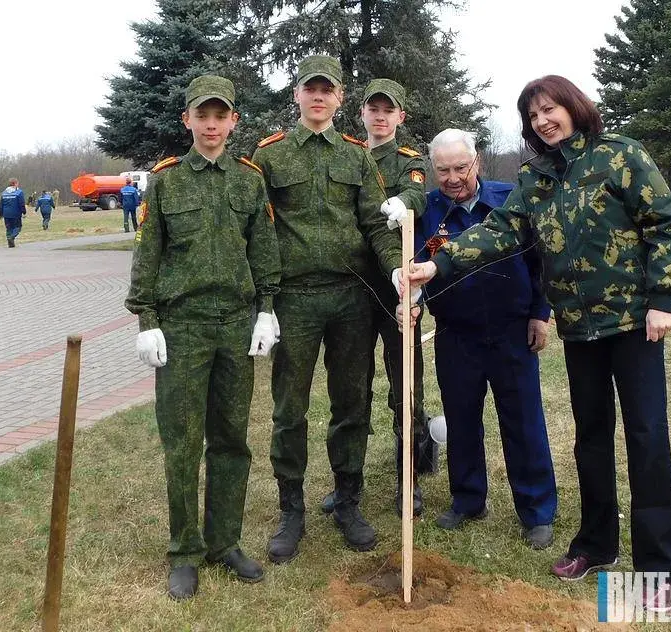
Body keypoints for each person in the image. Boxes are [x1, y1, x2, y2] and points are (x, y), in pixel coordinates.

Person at [406, 76, 671, 610]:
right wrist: (435, 264)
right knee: (591, 440)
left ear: (574, 108)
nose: (542, 121)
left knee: (647, 440)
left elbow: (665, 226)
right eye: (533, 115)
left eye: (550, 109)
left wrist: (663, 300)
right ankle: (595, 544)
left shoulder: (619, 156)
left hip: (633, 324)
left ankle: (661, 568)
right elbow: (502, 231)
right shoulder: (535, 178)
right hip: (580, 329)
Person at [125, 74, 282, 601]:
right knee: (182, 443)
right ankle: (185, 551)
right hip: (184, 326)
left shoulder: (249, 180)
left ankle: (224, 542)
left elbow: (262, 249)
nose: (212, 125)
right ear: (187, 120)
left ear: (234, 121)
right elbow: (148, 254)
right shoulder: (165, 182)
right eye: (202, 115)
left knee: (232, 439)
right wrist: (146, 320)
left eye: (221, 115)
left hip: (237, 324)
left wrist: (267, 311)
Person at [251, 55, 404, 563]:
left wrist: (397, 269)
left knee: (351, 404)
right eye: (309, 89)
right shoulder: (269, 156)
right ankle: (290, 510)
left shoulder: (358, 157)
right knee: (289, 409)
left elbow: (375, 224)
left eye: (328, 90)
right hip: (295, 299)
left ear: (340, 99)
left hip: (350, 298)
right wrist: (265, 304)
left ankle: (348, 501)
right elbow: (260, 234)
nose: (318, 97)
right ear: (296, 95)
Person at [409, 128, 557, 549]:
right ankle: (468, 500)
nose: (453, 177)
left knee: (524, 422)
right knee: (461, 420)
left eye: (461, 167)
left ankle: (537, 511)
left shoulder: (511, 199)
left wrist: (540, 315)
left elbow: (540, 261)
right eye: (443, 170)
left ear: (477, 162)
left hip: (512, 331)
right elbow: (417, 265)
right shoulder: (427, 212)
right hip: (456, 334)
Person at [318, 77, 437, 519]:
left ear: (401, 117)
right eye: (374, 109)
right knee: (350, 390)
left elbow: (417, 194)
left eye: (390, 110)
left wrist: (400, 204)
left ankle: (410, 482)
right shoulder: (346, 157)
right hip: (352, 287)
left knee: (407, 389)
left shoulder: (410, 161)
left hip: (398, 287)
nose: (381, 117)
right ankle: (346, 483)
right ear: (362, 113)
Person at [0, 178, 26, 247]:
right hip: (15, 213)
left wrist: (0, 214)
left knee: (9, 228)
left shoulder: (4, 192)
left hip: (6, 214)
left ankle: (10, 243)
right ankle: (11, 237)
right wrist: (24, 212)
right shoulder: (19, 192)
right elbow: (21, 203)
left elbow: (1, 204)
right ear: (16, 183)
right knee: (18, 227)